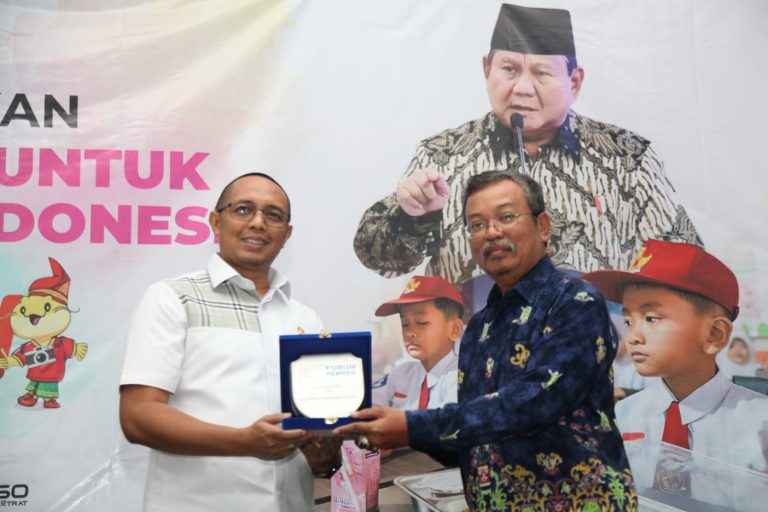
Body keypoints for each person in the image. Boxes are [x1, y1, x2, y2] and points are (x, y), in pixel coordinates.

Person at [337, 171, 637, 511]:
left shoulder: (575, 301)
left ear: (542, 226)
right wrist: (369, 430)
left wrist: (411, 428)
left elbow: (534, 403)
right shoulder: (480, 328)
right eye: (477, 225)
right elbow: (475, 434)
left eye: (506, 217)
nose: (492, 232)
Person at [354, 3, 701, 288]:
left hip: (593, 343)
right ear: (487, 69)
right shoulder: (442, 155)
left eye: (541, 73)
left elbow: (684, 264)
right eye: (509, 69)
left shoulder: (627, 158)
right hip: (473, 344)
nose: (522, 88)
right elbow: (380, 260)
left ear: (574, 81)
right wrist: (412, 217)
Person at [119, 172, 340, 512]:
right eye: (243, 209)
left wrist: (323, 456)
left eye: (273, 215)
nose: (258, 223)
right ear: (215, 221)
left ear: (286, 234)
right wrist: (244, 442)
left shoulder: (306, 321)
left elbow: (317, 434)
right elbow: (138, 417)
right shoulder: (173, 298)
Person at [582, 240, 768, 505]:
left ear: (714, 334)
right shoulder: (623, 416)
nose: (633, 336)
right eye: (628, 321)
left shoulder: (761, 424)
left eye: (652, 318)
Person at [372, 275, 464, 410]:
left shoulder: (459, 376)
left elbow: (449, 419)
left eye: (422, 322)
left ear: (455, 329)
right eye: (405, 324)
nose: (410, 332)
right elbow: (368, 406)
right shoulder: (401, 374)